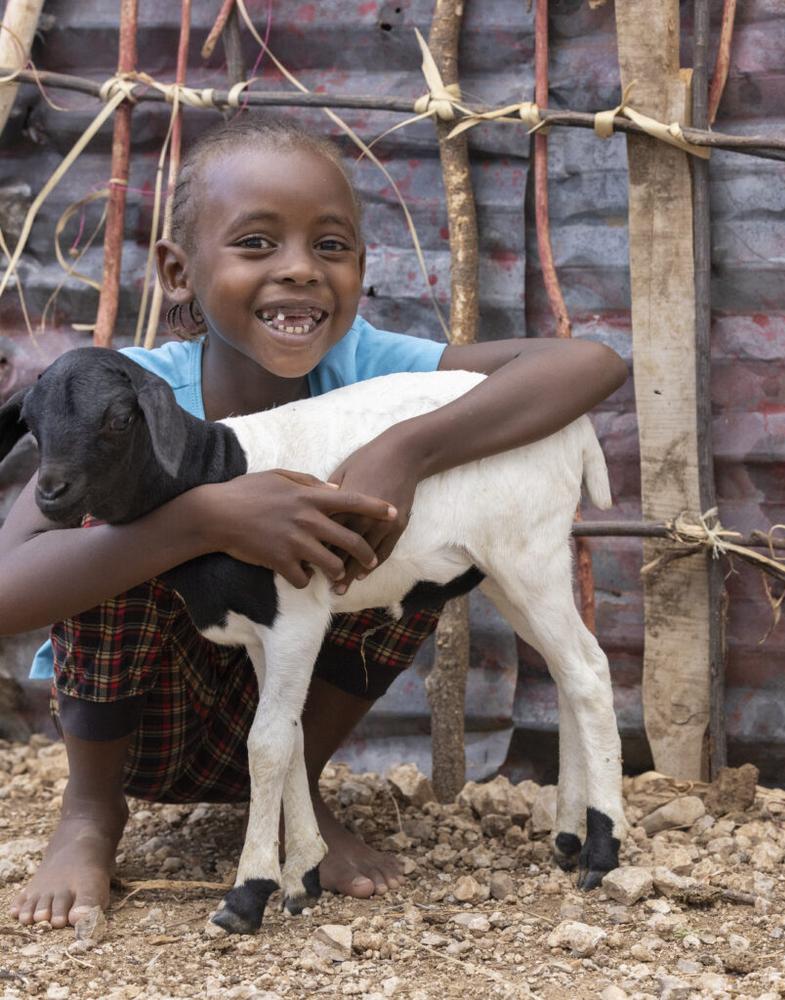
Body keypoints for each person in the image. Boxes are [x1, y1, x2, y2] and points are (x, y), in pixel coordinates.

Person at [1, 115, 627, 929]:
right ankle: (89, 814)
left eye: (330, 247)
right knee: (109, 527)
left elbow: (588, 363)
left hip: (288, 703)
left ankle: (303, 803)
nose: (299, 269)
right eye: (256, 244)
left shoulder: (369, 370)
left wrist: (407, 448)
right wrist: (205, 519)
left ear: (362, 267)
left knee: (406, 533)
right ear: (178, 272)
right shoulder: (128, 396)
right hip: (147, 721)